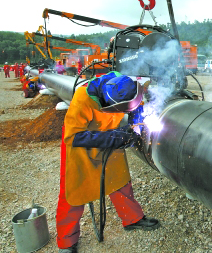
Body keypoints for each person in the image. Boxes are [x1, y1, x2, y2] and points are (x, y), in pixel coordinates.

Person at [56, 71, 160, 252]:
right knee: (74, 192)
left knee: (120, 180)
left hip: (109, 135)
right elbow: (73, 137)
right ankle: (67, 240)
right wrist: (114, 137)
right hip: (82, 141)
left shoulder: (124, 83)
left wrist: (135, 125)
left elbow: (136, 105)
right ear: (109, 104)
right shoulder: (83, 99)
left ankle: (132, 219)